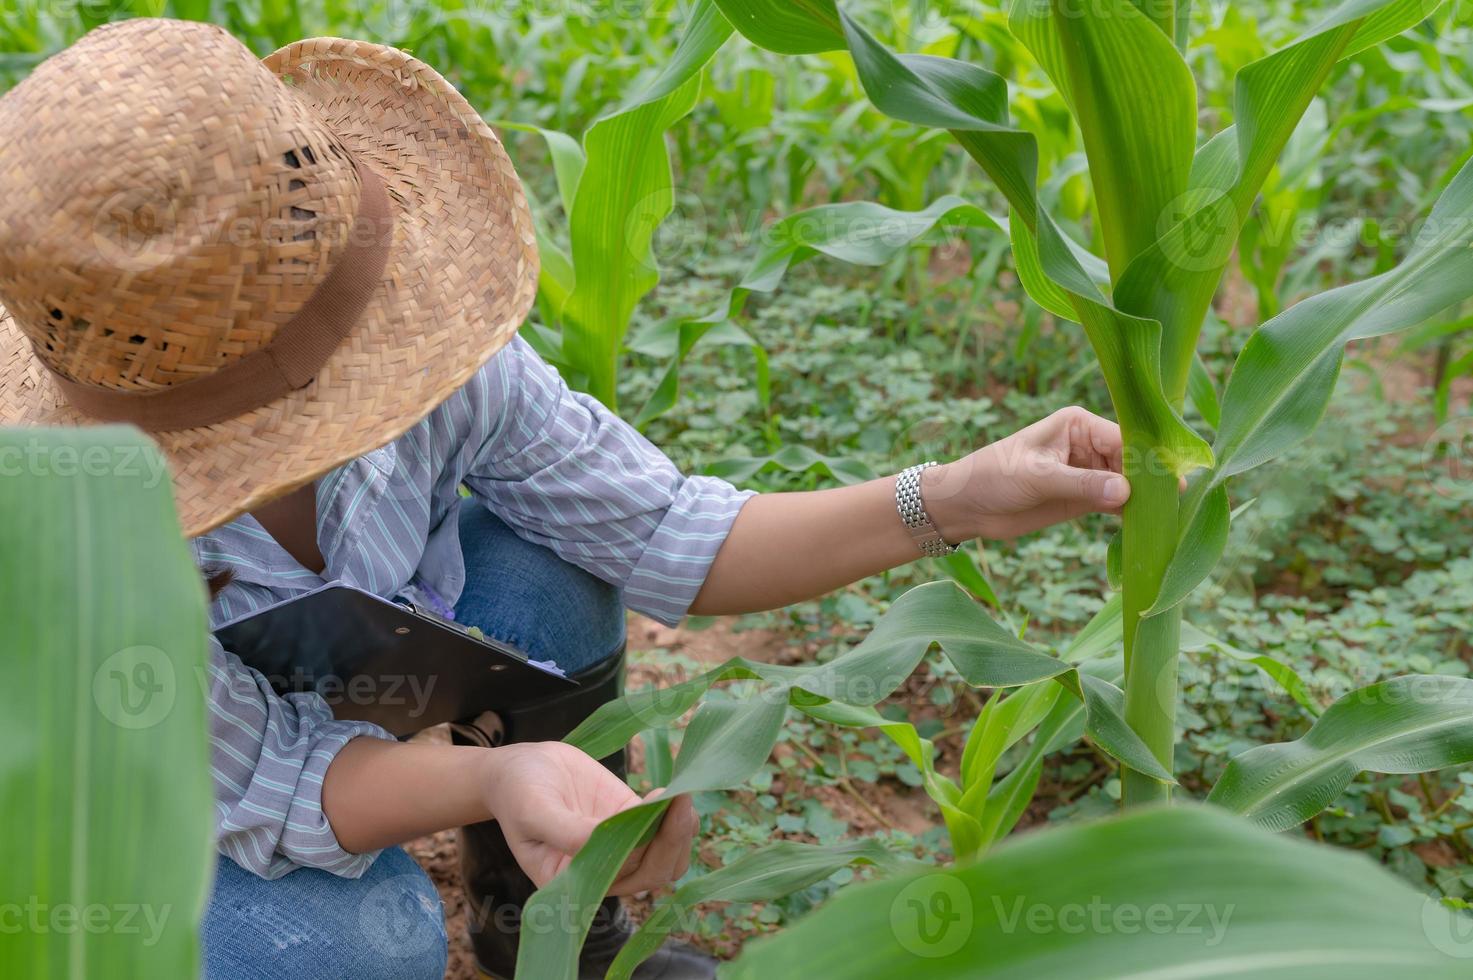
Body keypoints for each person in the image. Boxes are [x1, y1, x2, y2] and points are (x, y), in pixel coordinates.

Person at [0, 19, 1132, 980]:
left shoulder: (414, 341)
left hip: (324, 704)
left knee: (549, 569)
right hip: (143, 789)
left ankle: (546, 922)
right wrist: (497, 771)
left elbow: (665, 528)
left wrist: (956, 496)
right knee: (358, 942)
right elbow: (263, 777)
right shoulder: (63, 537)